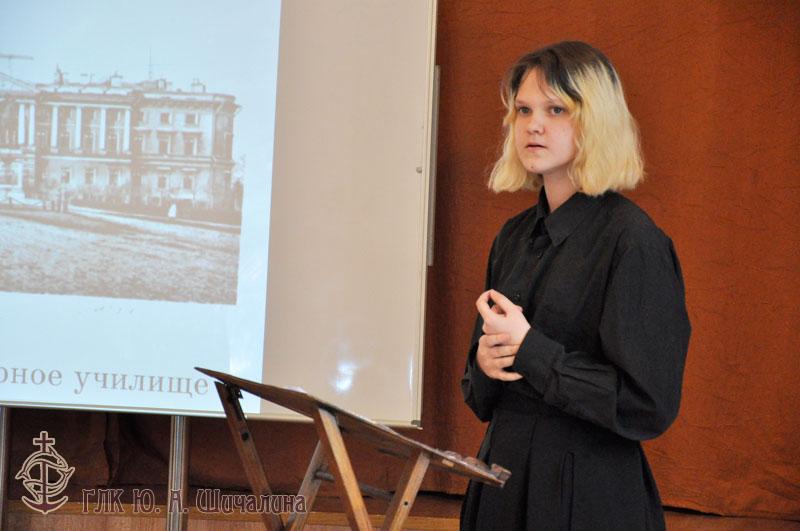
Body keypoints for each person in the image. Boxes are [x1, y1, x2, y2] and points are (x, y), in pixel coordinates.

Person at [459, 41, 691, 530]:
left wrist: (530, 351)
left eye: (556, 109)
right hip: (499, 483)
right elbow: (478, 396)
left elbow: (646, 404)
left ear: (596, 122)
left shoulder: (634, 242)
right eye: (523, 110)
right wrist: (484, 363)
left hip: (584, 496)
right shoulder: (512, 237)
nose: (532, 125)